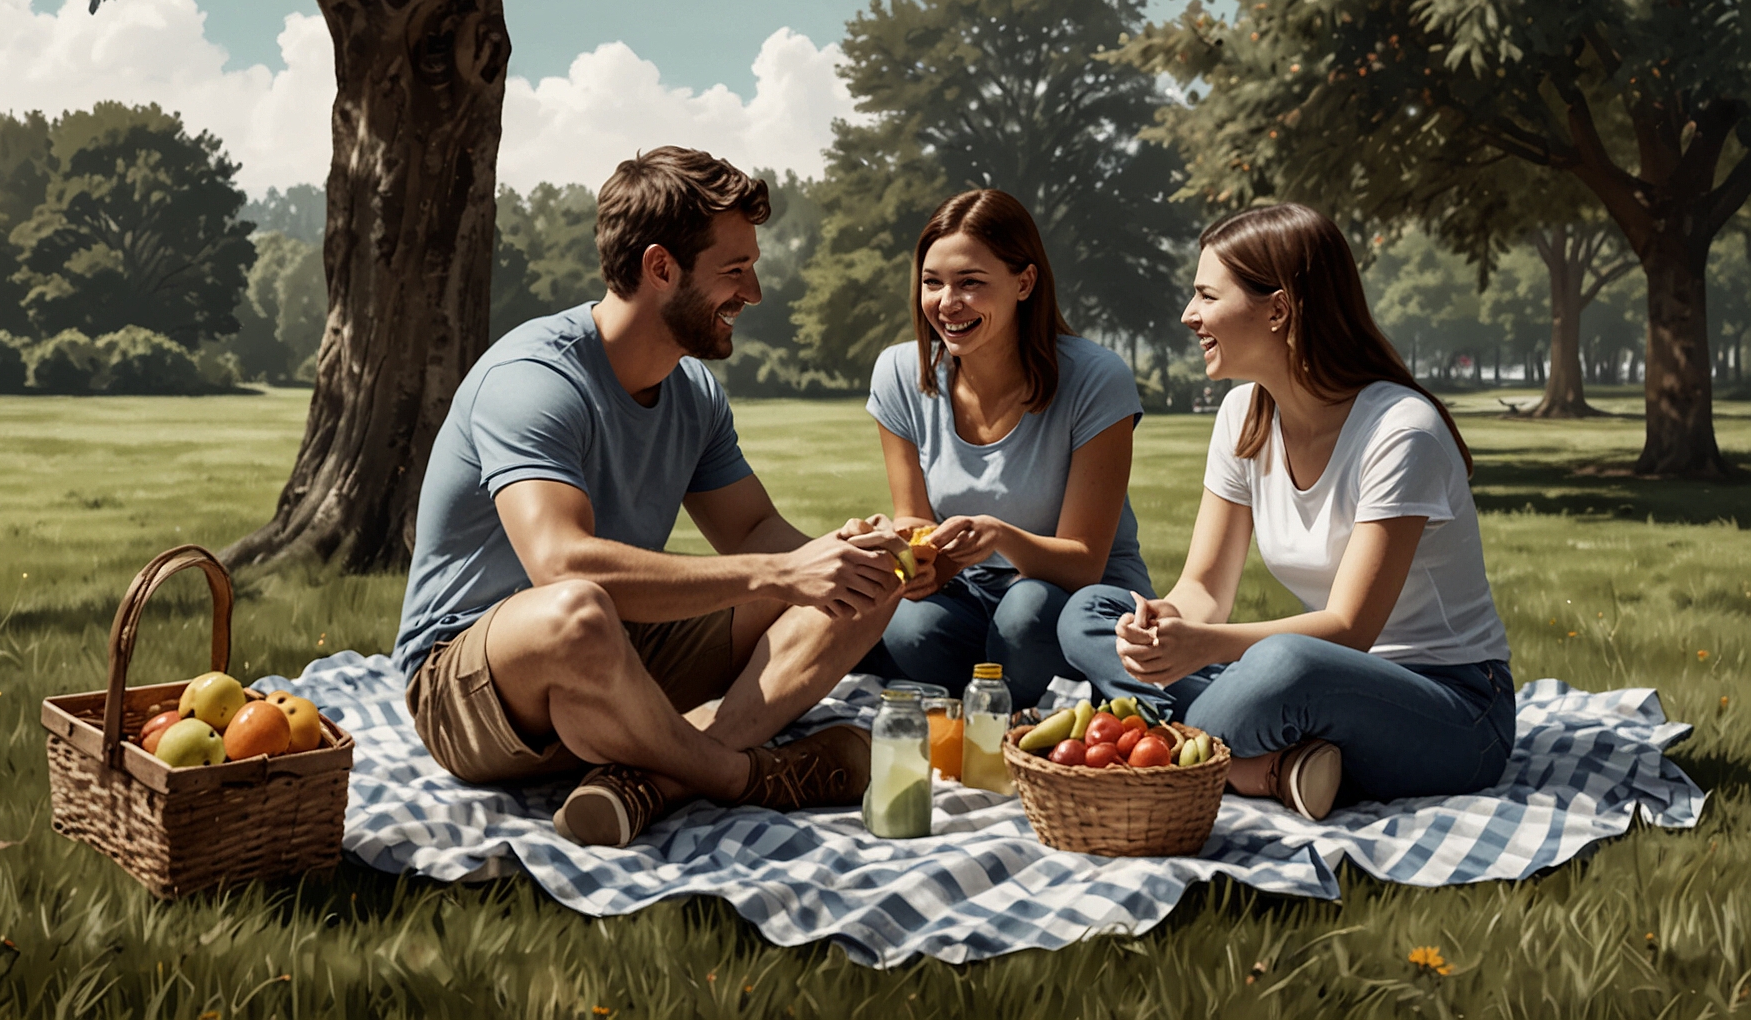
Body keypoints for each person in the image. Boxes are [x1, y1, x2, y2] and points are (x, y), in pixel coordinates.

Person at [392, 147, 910, 848]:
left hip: (617, 656)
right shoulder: (534, 379)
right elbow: (561, 567)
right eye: (735, 271)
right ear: (661, 267)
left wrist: (864, 558)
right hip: (473, 683)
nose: (752, 293)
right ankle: (743, 776)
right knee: (576, 612)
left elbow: (754, 529)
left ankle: (653, 780)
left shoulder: (693, 395)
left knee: (863, 585)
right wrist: (778, 573)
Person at [1058, 203, 1514, 820]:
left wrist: (1206, 649)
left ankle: (1200, 751)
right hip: (1318, 686)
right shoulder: (1243, 414)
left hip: (1452, 708)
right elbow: (1202, 588)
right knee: (1090, 610)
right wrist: (1165, 626)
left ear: (1278, 309)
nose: (1188, 316)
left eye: (1205, 296)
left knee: (1283, 664)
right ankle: (1267, 766)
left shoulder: (1402, 431)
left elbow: (1350, 629)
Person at [852, 189, 1154, 708]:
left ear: (1024, 282)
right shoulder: (900, 374)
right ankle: (988, 713)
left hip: (1077, 598)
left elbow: (1084, 561)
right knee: (909, 625)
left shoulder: (1096, 379)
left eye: (970, 283)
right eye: (932, 283)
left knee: (1026, 614)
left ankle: (1016, 719)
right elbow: (917, 525)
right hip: (969, 594)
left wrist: (998, 535)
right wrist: (897, 547)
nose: (947, 304)